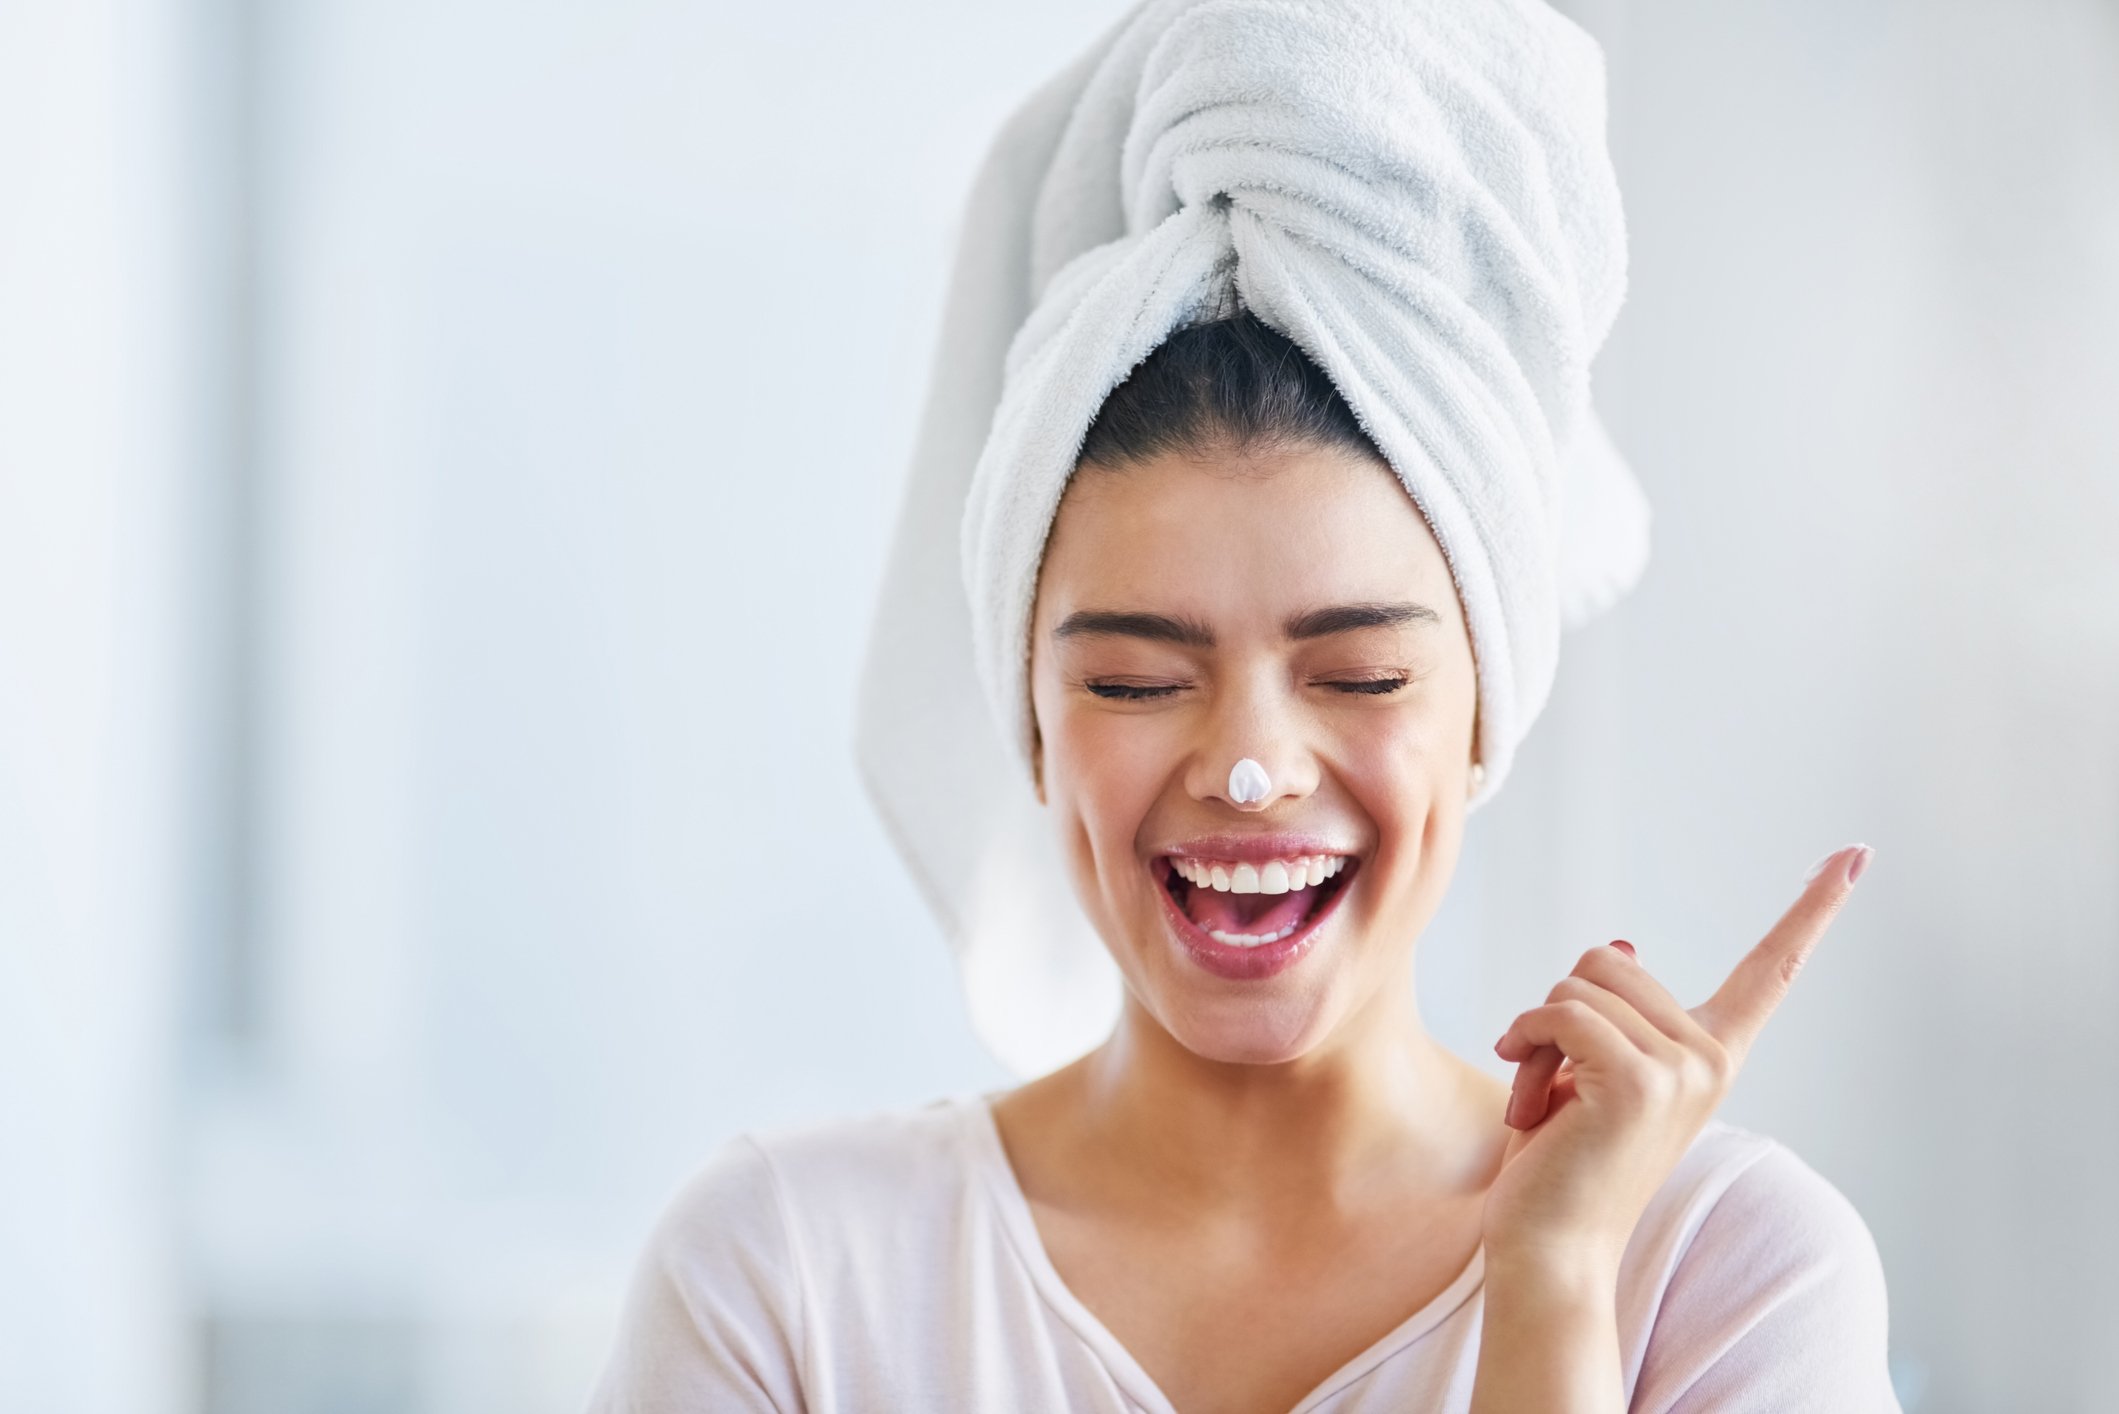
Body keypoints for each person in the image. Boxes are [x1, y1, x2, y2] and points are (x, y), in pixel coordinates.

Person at [588, 2, 1899, 1410]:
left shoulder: (1722, 1271)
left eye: (1360, 675)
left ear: (1483, 708)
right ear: (1031, 715)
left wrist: (1557, 1283)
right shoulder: (790, 1280)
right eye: (1137, 679)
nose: (1254, 769)